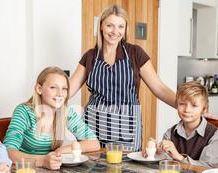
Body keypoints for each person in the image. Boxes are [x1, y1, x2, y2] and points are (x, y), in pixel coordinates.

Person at [69, 4, 177, 151]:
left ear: (126, 29)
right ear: (101, 26)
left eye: (121, 26)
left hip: (126, 128)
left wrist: (185, 105)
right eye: (110, 26)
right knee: (92, 171)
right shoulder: (90, 56)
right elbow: (68, 89)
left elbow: (160, 88)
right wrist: (37, 102)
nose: (115, 31)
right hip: (94, 128)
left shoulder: (135, 53)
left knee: (126, 171)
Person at [4, 67, 100, 170]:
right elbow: (8, 152)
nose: (60, 94)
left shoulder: (65, 112)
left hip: (51, 171)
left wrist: (61, 150)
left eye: (64, 89)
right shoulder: (24, 112)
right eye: (53, 87)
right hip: (25, 172)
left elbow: (94, 143)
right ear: (39, 89)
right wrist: (43, 161)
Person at [151, 81, 218, 168]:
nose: (187, 110)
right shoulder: (169, 133)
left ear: (204, 109)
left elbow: (208, 168)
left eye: (194, 105)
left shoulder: (215, 135)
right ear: (176, 105)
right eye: (182, 104)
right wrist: (156, 153)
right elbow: (165, 165)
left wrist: (180, 158)